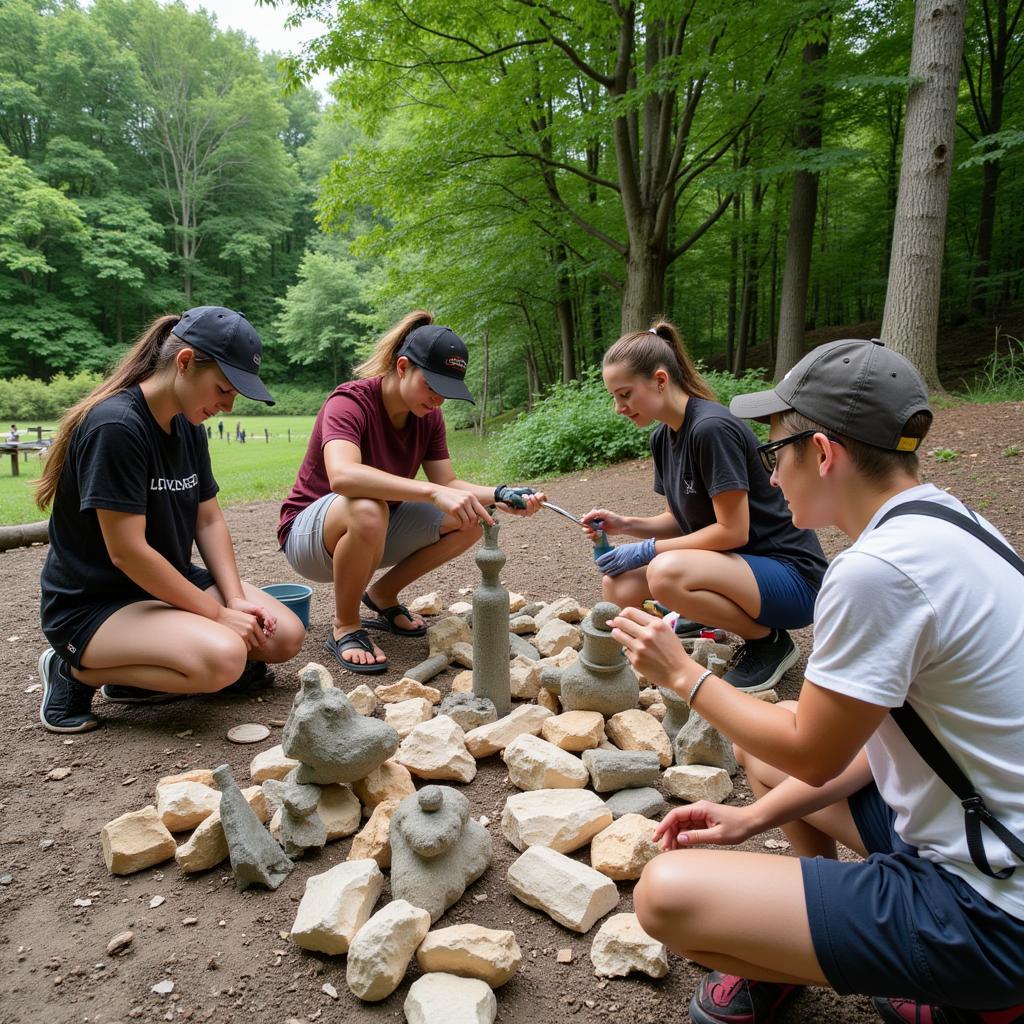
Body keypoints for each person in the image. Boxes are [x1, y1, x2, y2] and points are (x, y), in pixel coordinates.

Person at [610, 339, 1024, 1024]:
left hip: (992, 909)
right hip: (989, 830)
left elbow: (814, 751)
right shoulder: (953, 519)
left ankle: (976, 997)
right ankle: (840, 952)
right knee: (764, 755)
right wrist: (752, 817)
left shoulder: (875, 572)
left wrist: (682, 674)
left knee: (666, 894)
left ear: (824, 452)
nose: (770, 478)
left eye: (774, 455)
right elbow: (870, 742)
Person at [35, 306, 306, 734]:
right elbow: (128, 553)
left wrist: (234, 601)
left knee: (285, 635)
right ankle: (73, 671)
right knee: (226, 658)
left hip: (165, 587)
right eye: (224, 389)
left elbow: (209, 522)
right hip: (96, 604)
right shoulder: (117, 426)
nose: (228, 405)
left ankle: (137, 675)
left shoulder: (188, 426)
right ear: (184, 363)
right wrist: (217, 619)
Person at [278, 310, 545, 674]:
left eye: (447, 392)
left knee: (471, 515)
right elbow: (342, 475)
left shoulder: (427, 417)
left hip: (374, 528)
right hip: (311, 538)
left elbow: (448, 484)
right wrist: (430, 493)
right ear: (402, 366)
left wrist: (498, 493)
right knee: (368, 507)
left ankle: (382, 596)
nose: (438, 401)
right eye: (433, 387)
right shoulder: (349, 403)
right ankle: (345, 624)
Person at [582, 320, 827, 692]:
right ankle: (692, 621)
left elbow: (733, 531)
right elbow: (681, 520)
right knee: (618, 586)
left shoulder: (710, 428)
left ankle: (770, 643)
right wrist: (625, 523)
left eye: (625, 394)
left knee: (664, 573)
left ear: (660, 381)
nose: (619, 407)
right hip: (735, 570)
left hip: (789, 576)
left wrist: (647, 550)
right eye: (615, 397)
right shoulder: (663, 438)